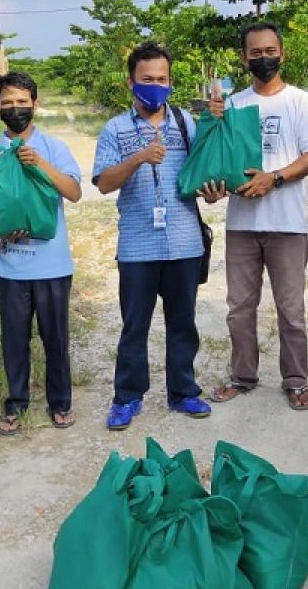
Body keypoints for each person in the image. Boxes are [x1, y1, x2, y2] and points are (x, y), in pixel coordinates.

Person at [208, 22, 308, 411]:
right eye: (255, 53)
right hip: (242, 225)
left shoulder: (300, 102)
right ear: (244, 58)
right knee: (239, 308)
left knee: (291, 309)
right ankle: (242, 375)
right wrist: (213, 187)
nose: (263, 58)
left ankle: (295, 380)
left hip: (288, 225)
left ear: (282, 53)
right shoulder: (233, 105)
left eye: (270, 51)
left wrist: (272, 179)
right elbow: (220, 162)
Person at [92, 42, 213, 431]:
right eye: (147, 79)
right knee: (134, 326)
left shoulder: (185, 123)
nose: (155, 86)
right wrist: (138, 157)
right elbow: (104, 183)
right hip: (137, 246)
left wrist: (213, 189)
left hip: (184, 243)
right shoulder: (115, 128)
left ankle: (183, 392)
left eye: (162, 79)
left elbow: (202, 172)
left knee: (183, 323)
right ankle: (127, 397)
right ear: (131, 82)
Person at [0, 72, 82, 435]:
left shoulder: (54, 148)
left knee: (55, 338)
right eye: (7, 103)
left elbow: (73, 192)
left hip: (52, 264)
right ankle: (15, 405)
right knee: (14, 340)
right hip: (11, 266)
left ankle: (60, 403)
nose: (15, 109)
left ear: (35, 103)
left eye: (22, 102)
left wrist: (38, 163)